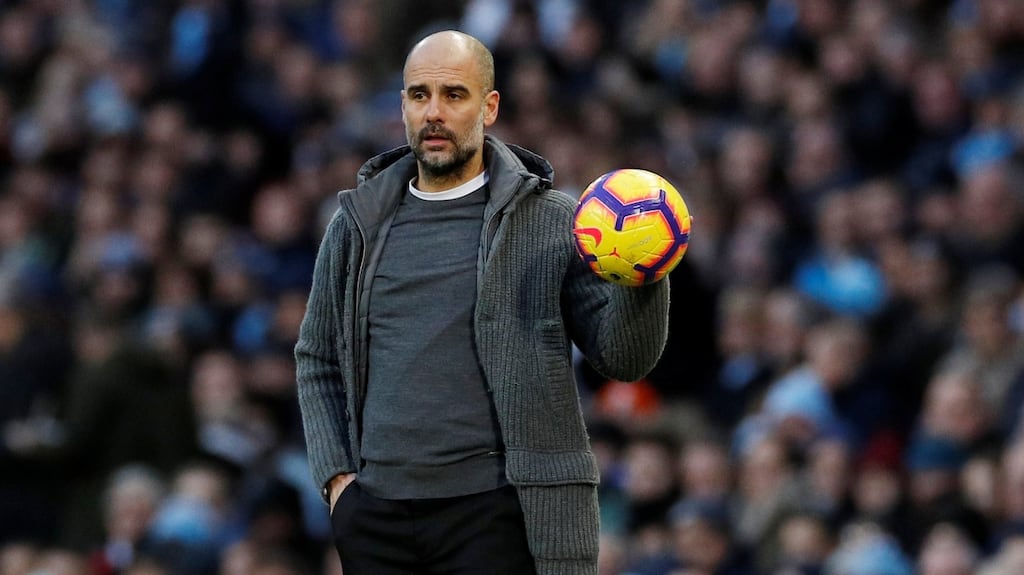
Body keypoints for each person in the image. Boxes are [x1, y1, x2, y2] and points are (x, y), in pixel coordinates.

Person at [294, 30, 670, 574]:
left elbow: (624, 359)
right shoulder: (355, 224)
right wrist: (338, 483)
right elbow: (317, 357)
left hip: (500, 514)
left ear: (489, 107)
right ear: (403, 106)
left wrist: (644, 274)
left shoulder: (551, 220)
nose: (434, 112)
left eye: (454, 94)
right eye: (420, 95)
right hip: (377, 518)